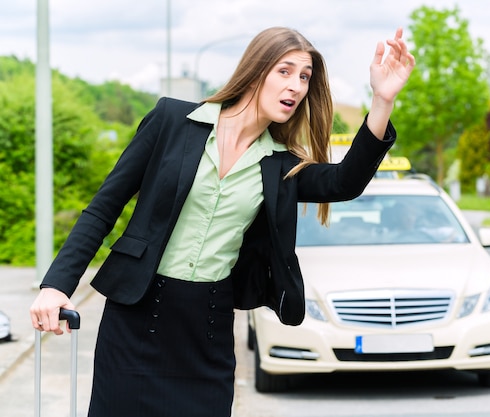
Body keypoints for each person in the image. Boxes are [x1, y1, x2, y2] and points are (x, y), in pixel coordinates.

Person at [30, 26, 415, 417]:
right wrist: (56, 285)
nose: (297, 86)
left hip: (206, 327)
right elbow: (103, 207)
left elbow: (344, 182)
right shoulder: (171, 120)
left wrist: (382, 100)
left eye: (304, 77)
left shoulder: (281, 164)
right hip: (136, 317)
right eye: (285, 71)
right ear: (255, 70)